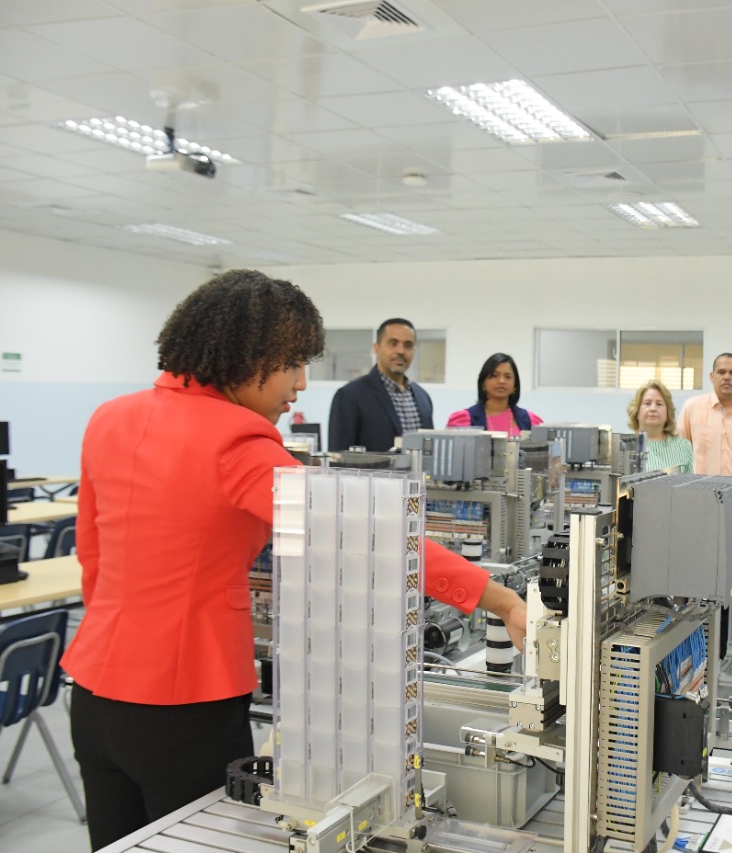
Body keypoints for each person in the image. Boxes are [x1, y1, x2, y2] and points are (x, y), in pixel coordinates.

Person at [63, 271, 528, 851]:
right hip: (185, 707)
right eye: (291, 364)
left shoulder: (111, 417)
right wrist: (500, 599)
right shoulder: (238, 440)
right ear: (246, 356)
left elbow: (92, 556)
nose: (302, 383)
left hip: (93, 694)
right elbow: (375, 535)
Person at [676, 353, 732, 657]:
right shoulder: (692, 409)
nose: (727, 377)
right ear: (712, 376)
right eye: (722, 371)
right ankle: (697, 651)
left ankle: (728, 647)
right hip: (697, 511)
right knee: (696, 581)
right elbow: (679, 457)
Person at [328, 318, 433, 451]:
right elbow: (338, 455)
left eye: (408, 345)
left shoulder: (423, 398)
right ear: (377, 348)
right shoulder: (350, 396)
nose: (401, 351)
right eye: (393, 343)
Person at [446, 353, 543, 437]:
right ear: (483, 383)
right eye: (494, 375)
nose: (501, 381)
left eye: (508, 376)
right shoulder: (463, 420)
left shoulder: (531, 421)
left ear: (515, 385)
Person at [626, 379, 692, 472]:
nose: (653, 408)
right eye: (647, 403)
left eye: (659, 404)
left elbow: (690, 481)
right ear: (636, 411)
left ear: (668, 413)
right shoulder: (624, 447)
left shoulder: (683, 447)